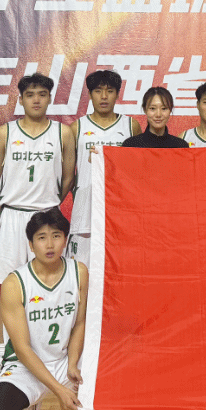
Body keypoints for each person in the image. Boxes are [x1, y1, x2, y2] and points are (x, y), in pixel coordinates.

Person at [0, 208, 131, 410]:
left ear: (66, 240)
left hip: (64, 360)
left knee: (121, 359)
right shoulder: (15, 283)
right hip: (25, 366)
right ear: (31, 245)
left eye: (56, 236)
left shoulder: (79, 272)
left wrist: (72, 362)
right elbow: (22, 348)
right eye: (41, 238)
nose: (50, 244)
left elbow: (79, 323)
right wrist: (59, 390)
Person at [0, 72, 77, 388]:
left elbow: (68, 177)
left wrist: (48, 203)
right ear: (20, 99)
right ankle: (2, 360)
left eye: (42, 94)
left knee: (51, 288)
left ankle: (53, 358)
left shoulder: (63, 133)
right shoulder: (5, 133)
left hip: (47, 217)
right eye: (30, 94)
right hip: (13, 218)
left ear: (49, 98)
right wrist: (13, 201)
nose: (36, 99)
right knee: (7, 290)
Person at [68, 70, 140, 264]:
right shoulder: (77, 128)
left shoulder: (131, 126)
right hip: (85, 210)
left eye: (110, 91)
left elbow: (136, 171)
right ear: (90, 94)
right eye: (98, 91)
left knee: (117, 267)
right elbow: (68, 174)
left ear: (117, 94)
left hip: (119, 209)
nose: (104, 96)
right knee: (81, 270)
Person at [122, 87, 190, 148]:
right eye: (152, 108)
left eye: (164, 108)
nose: (158, 114)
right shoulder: (130, 145)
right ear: (145, 110)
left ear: (170, 110)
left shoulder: (180, 146)